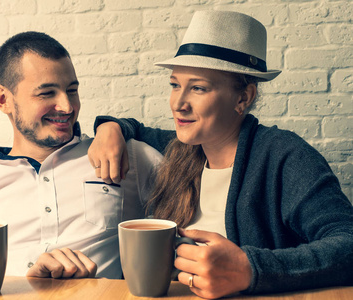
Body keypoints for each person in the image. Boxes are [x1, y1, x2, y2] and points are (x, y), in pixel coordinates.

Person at [89, 10, 353, 299]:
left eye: (198, 88)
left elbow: (347, 243)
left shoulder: (284, 156)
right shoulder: (182, 146)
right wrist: (110, 128)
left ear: (244, 97)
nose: (178, 103)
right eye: (175, 85)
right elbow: (135, 128)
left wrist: (251, 269)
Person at [0, 31, 162, 290]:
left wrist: (116, 126)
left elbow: (193, 170)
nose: (67, 107)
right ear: (4, 100)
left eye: (72, 90)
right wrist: (25, 279)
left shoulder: (125, 156)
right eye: (47, 94)